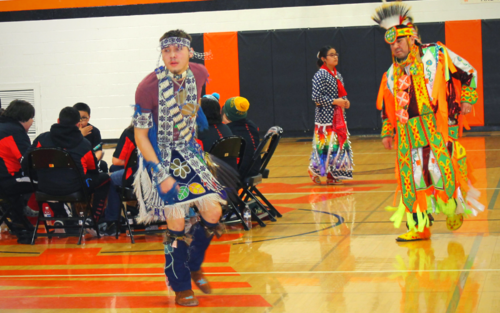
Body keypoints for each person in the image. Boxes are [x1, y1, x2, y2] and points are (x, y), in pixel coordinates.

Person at [373, 2, 484, 242]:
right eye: (391, 43)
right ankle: (419, 227)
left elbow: (468, 72)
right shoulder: (391, 74)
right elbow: (388, 109)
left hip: (437, 129)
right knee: (410, 181)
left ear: (411, 37)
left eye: (398, 41)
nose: (395, 46)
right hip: (407, 136)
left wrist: (467, 98)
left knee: (442, 172)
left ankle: (454, 207)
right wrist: (387, 131)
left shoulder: (436, 54)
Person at [133, 29, 229, 307]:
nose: (172, 55)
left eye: (178, 50)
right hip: (159, 155)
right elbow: (140, 137)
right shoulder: (147, 87)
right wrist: (159, 174)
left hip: (189, 151)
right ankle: (180, 284)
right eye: (166, 51)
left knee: (213, 211)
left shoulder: (199, 73)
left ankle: (193, 262)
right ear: (161, 53)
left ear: (189, 51)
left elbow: (194, 109)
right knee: (176, 220)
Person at [23, 107, 110, 230]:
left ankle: (60, 215)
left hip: (44, 188)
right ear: (78, 124)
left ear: (58, 120)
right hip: (75, 188)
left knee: (54, 180)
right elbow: (93, 169)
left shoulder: (41, 139)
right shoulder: (84, 144)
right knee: (104, 178)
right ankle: (93, 219)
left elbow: (25, 163)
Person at [309, 45, 353, 185]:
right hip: (325, 119)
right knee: (325, 147)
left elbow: (342, 94)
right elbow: (316, 98)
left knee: (337, 146)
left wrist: (345, 102)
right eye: (332, 55)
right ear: (323, 59)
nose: (335, 57)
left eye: (336, 54)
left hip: (338, 117)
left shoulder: (337, 74)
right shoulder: (320, 75)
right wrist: (336, 101)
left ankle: (332, 174)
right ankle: (314, 170)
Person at [0, 100, 35, 243]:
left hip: (4, 181)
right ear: (24, 118)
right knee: (44, 181)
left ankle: (18, 218)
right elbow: (26, 159)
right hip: (8, 181)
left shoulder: (3, 127)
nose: (32, 122)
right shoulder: (15, 132)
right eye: (32, 118)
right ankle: (21, 222)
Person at [101, 122, 137, 234]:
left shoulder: (131, 132)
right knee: (115, 168)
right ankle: (135, 210)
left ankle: (112, 221)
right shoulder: (163, 132)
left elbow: (117, 160)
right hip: (161, 176)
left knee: (112, 177)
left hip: (137, 176)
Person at [222, 96, 260, 178]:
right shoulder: (252, 126)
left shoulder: (228, 131)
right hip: (255, 168)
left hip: (239, 173)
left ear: (226, 114)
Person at [73, 102, 107, 172]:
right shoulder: (70, 130)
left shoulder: (94, 131)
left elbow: (98, 151)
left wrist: (93, 161)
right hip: (74, 162)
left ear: (89, 118)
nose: (80, 121)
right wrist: (80, 135)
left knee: (103, 165)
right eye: (78, 118)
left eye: (84, 118)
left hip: (89, 162)